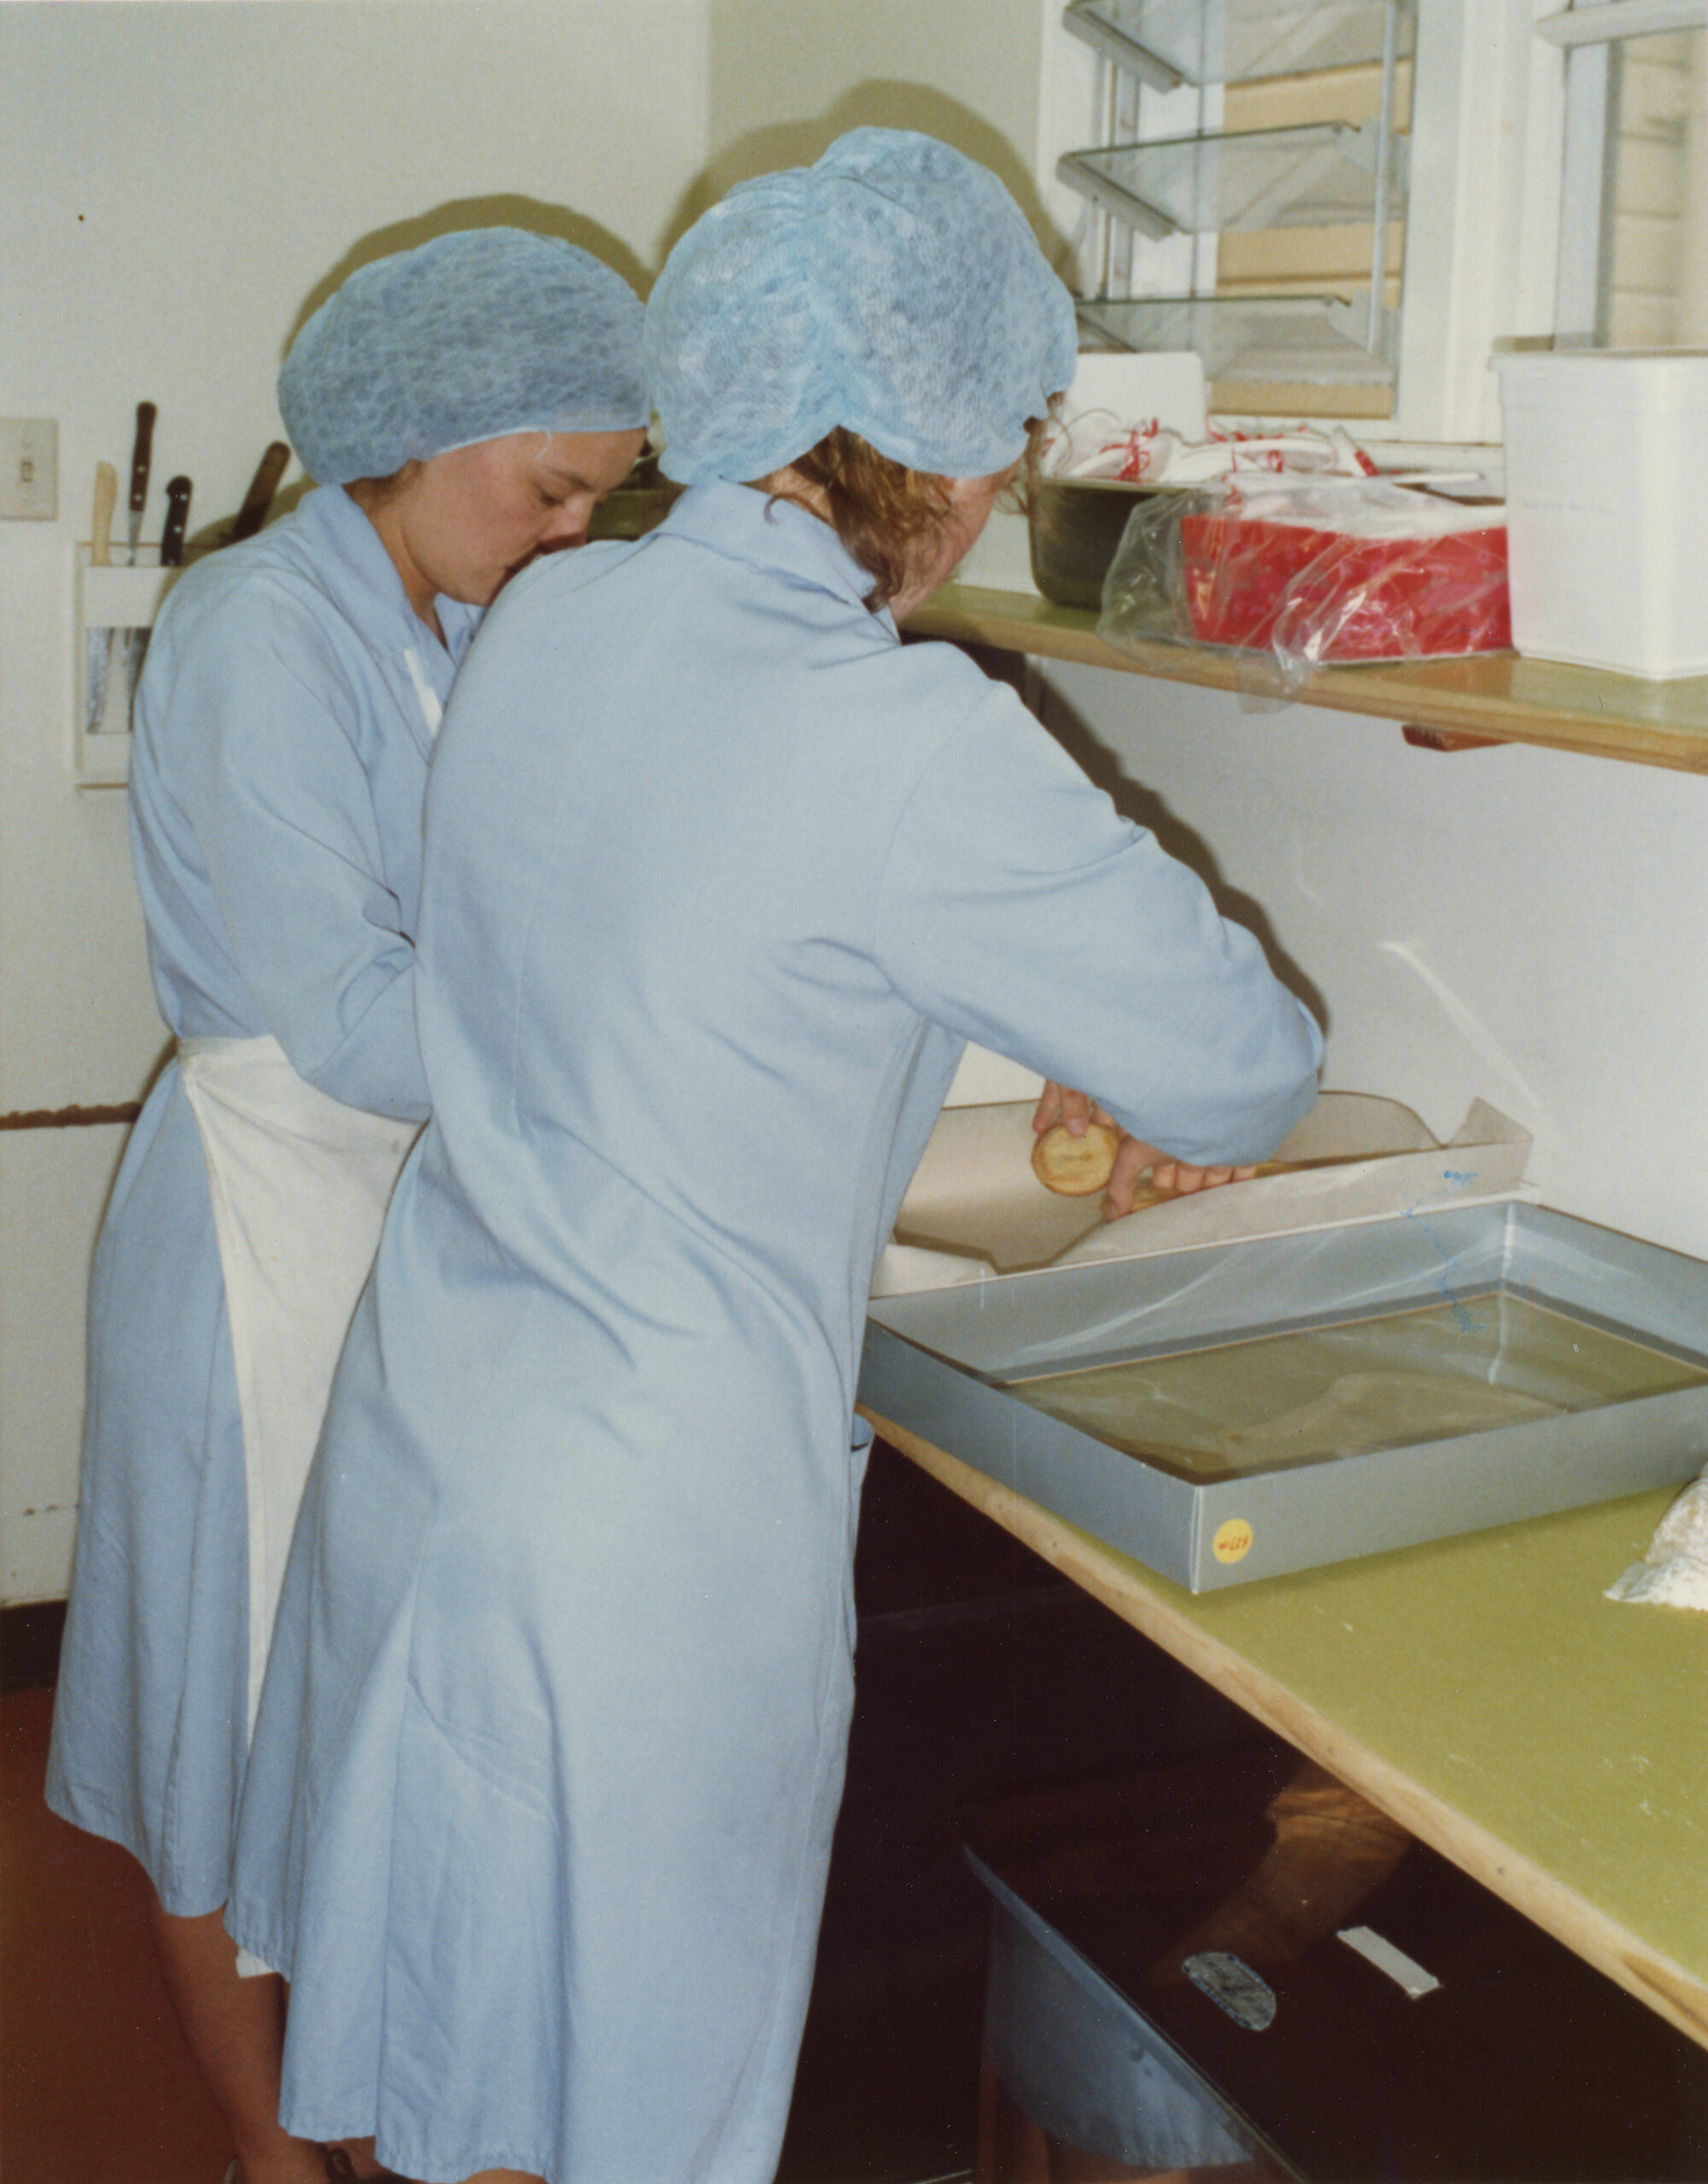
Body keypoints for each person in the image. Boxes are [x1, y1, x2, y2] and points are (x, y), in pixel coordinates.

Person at [228, 132, 1323, 2184]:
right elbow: (1253, 1067)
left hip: (432, 1446)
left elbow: (689, 924)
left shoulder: (556, 620)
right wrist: (1147, 1083)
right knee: (630, 2101)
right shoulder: (908, 737)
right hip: (641, 1546)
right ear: (942, 448)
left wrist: (1051, 1048)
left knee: (464, 2062)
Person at [46, 228, 647, 2184]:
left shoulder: (455, 618)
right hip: (259, 1228)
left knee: (368, 1701)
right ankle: (265, 2155)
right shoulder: (257, 625)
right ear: (409, 429)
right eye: (550, 488)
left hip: (402, 1219)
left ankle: (376, 2109)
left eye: (599, 501)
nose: (570, 534)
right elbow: (354, 1014)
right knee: (224, 1724)